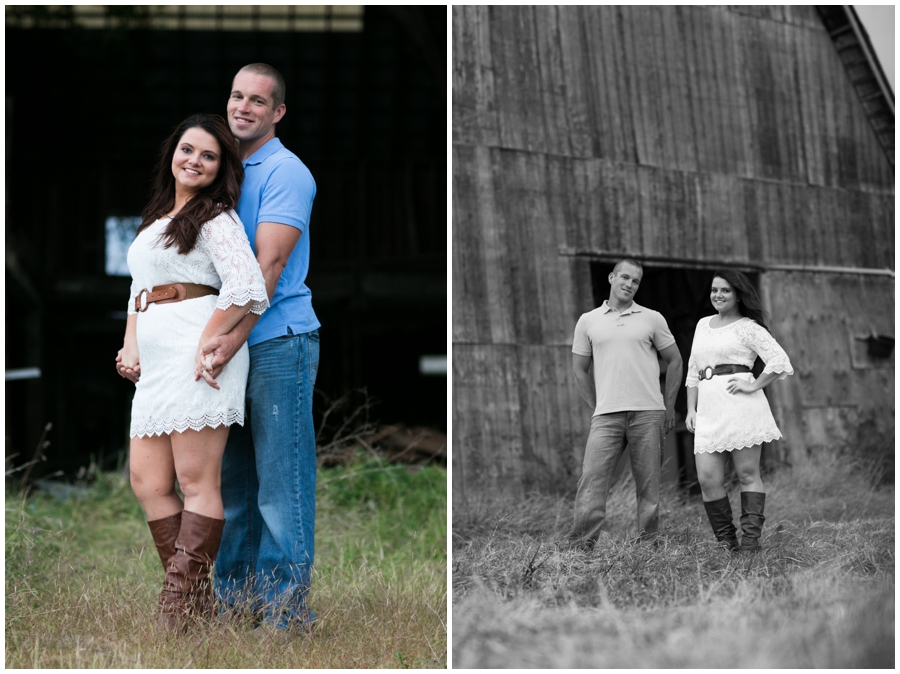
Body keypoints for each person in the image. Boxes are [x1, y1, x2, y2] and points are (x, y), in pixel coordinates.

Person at [116, 113, 269, 630]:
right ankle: (197, 606)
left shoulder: (216, 218)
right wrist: (130, 344)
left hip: (198, 358)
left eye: (208, 155)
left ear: (221, 167)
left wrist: (212, 340)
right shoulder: (159, 217)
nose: (195, 161)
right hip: (157, 362)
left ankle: (177, 609)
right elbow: (140, 289)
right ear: (172, 154)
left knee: (194, 479)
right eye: (188, 150)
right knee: (147, 481)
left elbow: (248, 285)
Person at [192, 63, 320, 632]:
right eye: (237, 96)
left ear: (278, 113)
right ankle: (236, 605)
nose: (243, 106)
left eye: (258, 100)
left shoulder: (286, 172)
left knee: (280, 484)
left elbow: (268, 265)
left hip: (276, 343)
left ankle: (283, 614)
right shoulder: (225, 172)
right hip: (233, 347)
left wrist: (230, 339)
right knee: (235, 485)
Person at [568, 259, 683, 549]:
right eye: (624, 277)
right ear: (611, 277)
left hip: (648, 413)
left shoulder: (652, 318)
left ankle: (647, 546)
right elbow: (579, 368)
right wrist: (595, 406)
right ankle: (581, 548)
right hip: (606, 416)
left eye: (635, 281)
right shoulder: (588, 320)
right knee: (592, 480)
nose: (629, 284)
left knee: (649, 486)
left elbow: (675, 361)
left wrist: (668, 406)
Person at [685, 269, 793, 552]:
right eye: (714, 290)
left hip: (740, 407)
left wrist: (754, 385)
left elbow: (779, 361)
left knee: (747, 474)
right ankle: (727, 544)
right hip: (708, 411)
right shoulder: (701, 324)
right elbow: (693, 371)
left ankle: (749, 544)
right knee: (708, 479)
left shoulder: (748, 327)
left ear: (737, 295)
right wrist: (690, 409)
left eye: (725, 291)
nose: (717, 295)